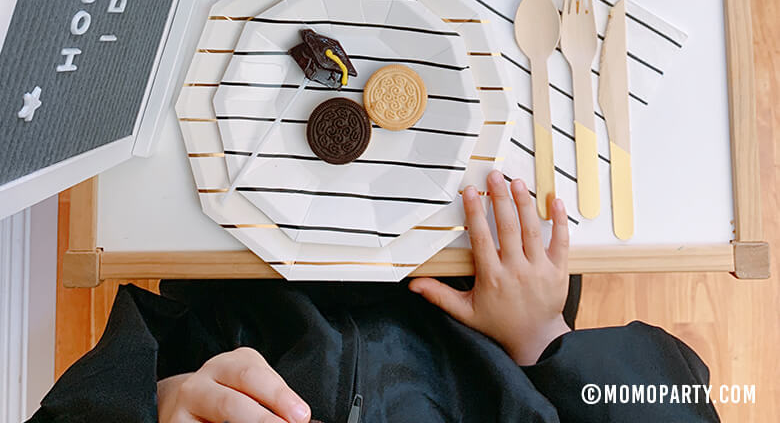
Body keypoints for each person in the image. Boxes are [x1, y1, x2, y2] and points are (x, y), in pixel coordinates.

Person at [27, 172, 720, 423]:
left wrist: (159, 404)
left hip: (239, 271)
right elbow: (672, 403)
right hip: (484, 295)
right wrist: (543, 337)